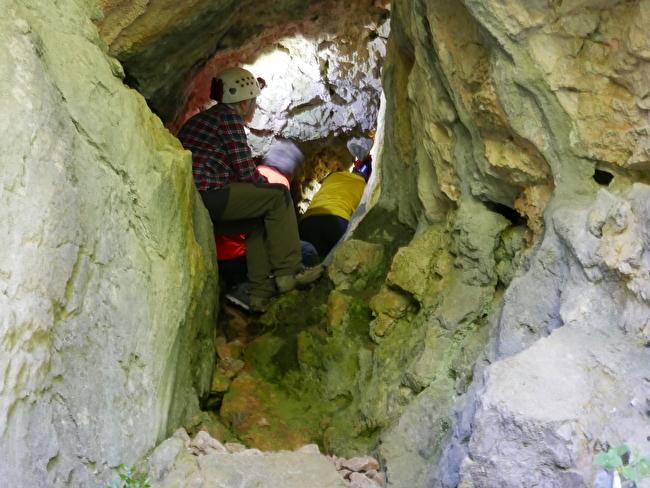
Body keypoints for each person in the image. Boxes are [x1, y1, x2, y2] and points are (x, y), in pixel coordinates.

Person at [177, 67, 322, 312]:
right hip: (211, 196)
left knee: (255, 222)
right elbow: (245, 170)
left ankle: (259, 295)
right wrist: (268, 188)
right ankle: (290, 273)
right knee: (279, 196)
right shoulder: (229, 118)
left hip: (193, 201)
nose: (254, 106)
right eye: (254, 101)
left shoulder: (201, 120)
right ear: (244, 102)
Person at [299, 137, 373, 260]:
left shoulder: (333, 176)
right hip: (337, 222)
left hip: (308, 221)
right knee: (334, 264)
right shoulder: (365, 188)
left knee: (305, 261)